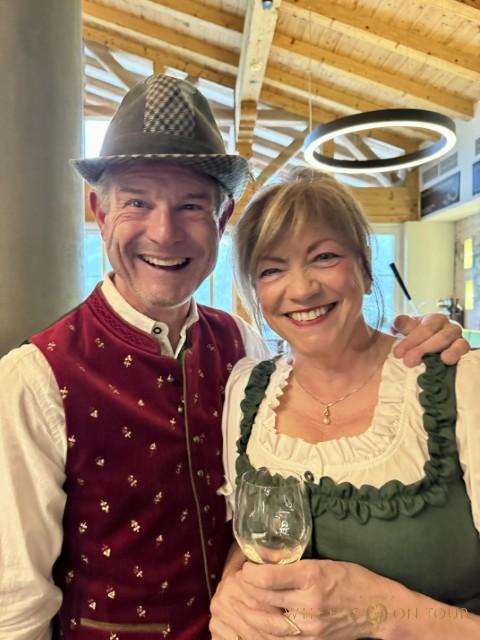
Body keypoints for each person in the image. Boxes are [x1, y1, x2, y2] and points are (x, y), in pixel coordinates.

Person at [0, 75, 467, 640]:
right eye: (137, 202)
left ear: (221, 222)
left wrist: (428, 347)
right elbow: (16, 606)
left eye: (191, 205)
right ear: (100, 212)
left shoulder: (243, 349)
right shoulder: (35, 377)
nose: (164, 232)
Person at [210, 171, 480, 640]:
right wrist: (231, 587)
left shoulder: (460, 384)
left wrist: (378, 610)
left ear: (365, 268)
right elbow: (251, 539)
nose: (301, 289)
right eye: (271, 269)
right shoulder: (247, 390)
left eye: (324, 257)